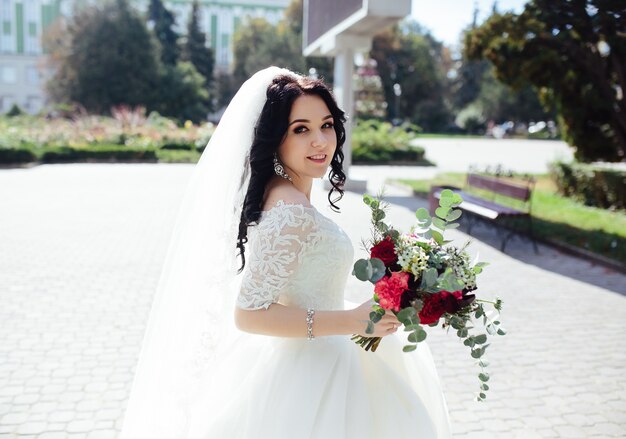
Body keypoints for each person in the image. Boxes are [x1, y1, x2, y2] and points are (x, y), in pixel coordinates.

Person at [118, 66, 452, 438]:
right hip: (307, 374)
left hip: (324, 353)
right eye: (301, 129)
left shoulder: (287, 194)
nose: (320, 141)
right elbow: (248, 314)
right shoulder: (290, 209)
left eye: (326, 125)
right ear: (276, 139)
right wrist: (351, 321)